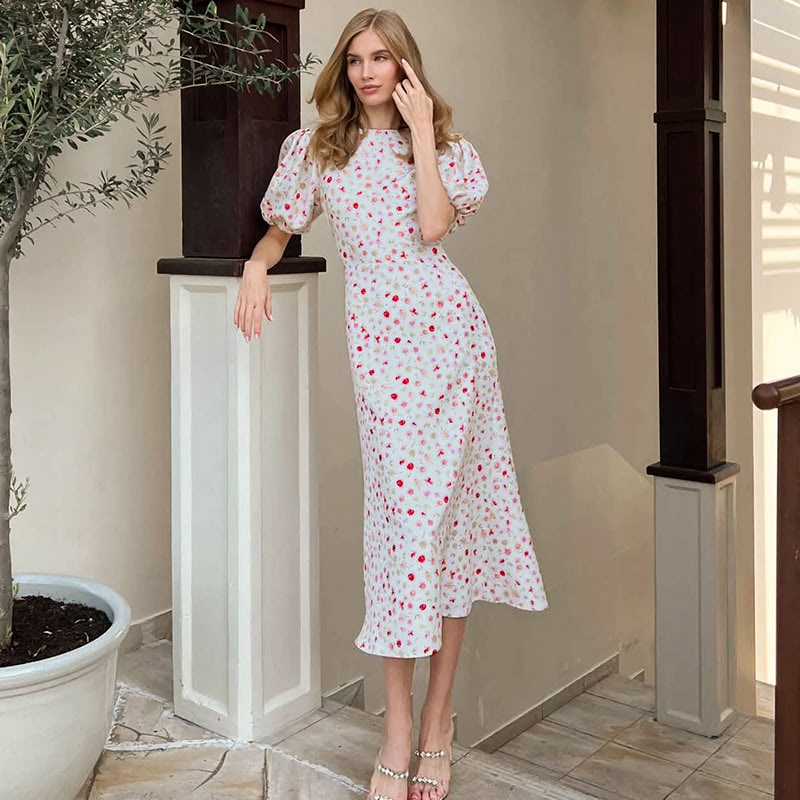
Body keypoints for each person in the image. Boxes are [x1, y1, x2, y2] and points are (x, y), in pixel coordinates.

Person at [234, 8, 548, 800]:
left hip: (453, 344)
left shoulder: (447, 151)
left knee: (446, 530)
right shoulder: (316, 150)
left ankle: (436, 721)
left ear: (406, 66)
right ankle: (398, 726)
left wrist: (422, 134)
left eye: (381, 58)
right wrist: (257, 265)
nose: (367, 72)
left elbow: (434, 227)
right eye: (355, 59)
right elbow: (280, 229)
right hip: (380, 356)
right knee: (405, 529)